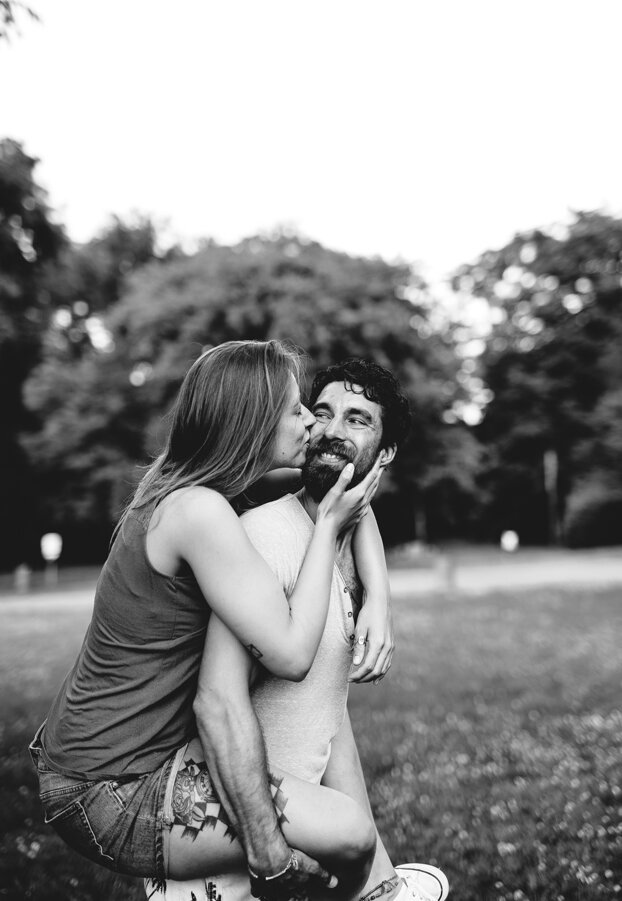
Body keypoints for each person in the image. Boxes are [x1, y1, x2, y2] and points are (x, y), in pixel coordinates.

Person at [28, 340, 388, 897]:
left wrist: (378, 597)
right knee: (349, 836)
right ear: (254, 423)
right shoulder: (200, 513)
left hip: (103, 755)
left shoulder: (193, 486)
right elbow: (291, 654)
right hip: (108, 785)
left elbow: (338, 495)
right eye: (298, 410)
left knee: (334, 819)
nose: (311, 427)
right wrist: (326, 530)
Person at [153, 360, 449, 901]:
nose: (333, 430)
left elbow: (329, 719)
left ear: (384, 455)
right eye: (322, 412)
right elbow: (217, 701)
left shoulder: (344, 542)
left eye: (357, 419)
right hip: (233, 837)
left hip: (300, 824)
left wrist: (378, 594)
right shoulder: (263, 538)